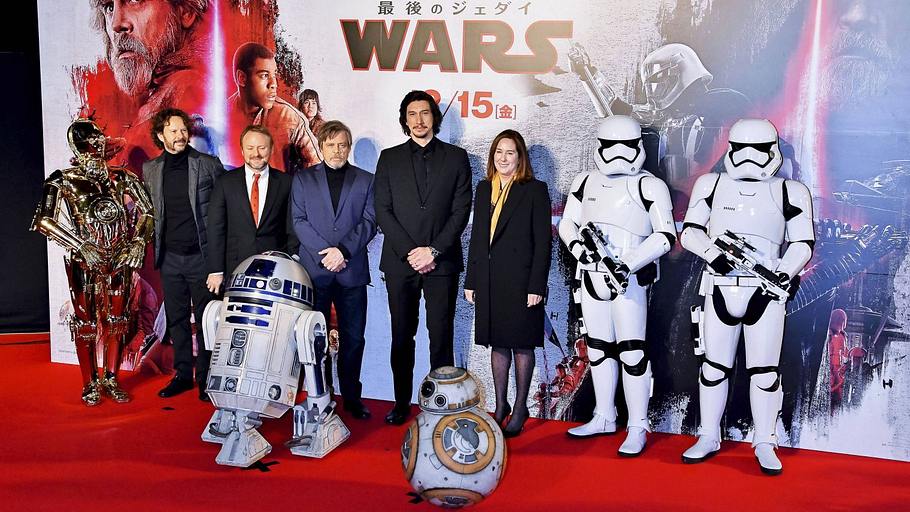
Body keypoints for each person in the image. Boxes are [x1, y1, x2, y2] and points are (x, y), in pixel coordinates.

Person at [679, 119, 814, 475]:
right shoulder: (711, 184)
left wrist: (783, 273)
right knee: (713, 368)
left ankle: (765, 440)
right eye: (743, 149)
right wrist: (713, 254)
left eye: (759, 150)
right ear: (731, 149)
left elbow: (802, 242)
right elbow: (690, 232)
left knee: (765, 372)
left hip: (765, 292)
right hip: (720, 287)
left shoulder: (790, 191)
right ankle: (708, 434)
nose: (750, 158)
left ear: (773, 151)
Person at [558, 115, 676, 456]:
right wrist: (579, 249)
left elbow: (665, 235)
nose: (619, 154)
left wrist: (629, 263)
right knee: (597, 348)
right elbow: (568, 223)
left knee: (632, 351)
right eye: (612, 146)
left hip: (630, 279)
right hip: (591, 274)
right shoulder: (585, 181)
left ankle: (638, 424)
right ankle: (604, 414)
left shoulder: (649, 185)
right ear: (600, 146)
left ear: (638, 146)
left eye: (627, 146)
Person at [31, 119, 155, 406]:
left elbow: (149, 211)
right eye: (92, 138)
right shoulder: (62, 179)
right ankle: (89, 383)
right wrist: (80, 245)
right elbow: (44, 220)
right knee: (86, 325)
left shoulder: (122, 177)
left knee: (118, 321)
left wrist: (138, 242)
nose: (99, 142)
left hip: (120, 256)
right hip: (84, 259)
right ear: (79, 145)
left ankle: (111, 378)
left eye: (100, 137)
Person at [374, 90, 472, 425]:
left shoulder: (457, 158)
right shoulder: (389, 158)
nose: (419, 120)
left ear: (435, 118)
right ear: (405, 120)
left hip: (442, 262)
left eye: (425, 113)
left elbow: (461, 211)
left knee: (441, 336)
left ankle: (439, 404)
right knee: (402, 335)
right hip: (400, 262)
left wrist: (433, 250)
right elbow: (383, 210)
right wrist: (411, 252)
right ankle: (401, 402)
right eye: (412, 114)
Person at [464, 130, 551, 437]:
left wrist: (537, 286)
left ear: (520, 157)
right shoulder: (484, 188)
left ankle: (521, 407)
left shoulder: (534, 190)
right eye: (498, 152)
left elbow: (543, 242)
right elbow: (477, 239)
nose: (503, 158)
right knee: (498, 342)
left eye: (510, 153)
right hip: (490, 280)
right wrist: (471, 280)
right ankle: (500, 405)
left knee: (522, 344)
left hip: (522, 281)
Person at [291, 120, 377, 420]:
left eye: (342, 145)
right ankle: (321, 393)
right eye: (331, 145)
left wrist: (343, 252)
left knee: (354, 339)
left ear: (349, 147)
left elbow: (369, 222)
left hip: (351, 271)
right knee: (315, 339)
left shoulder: (366, 180)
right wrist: (326, 254)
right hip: (315, 273)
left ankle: (352, 397)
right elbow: (299, 220)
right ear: (321, 146)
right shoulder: (303, 179)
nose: (337, 150)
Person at [143, 108, 225, 401]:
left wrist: (218, 263)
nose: (180, 135)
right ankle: (182, 375)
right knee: (176, 320)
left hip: (201, 259)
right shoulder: (150, 170)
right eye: (173, 130)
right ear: (160, 135)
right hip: (170, 259)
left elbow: (222, 212)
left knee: (206, 321)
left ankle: (205, 378)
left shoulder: (207, 165)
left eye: (183, 130)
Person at [205, 125, 298, 294]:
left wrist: (292, 261)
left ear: (271, 149)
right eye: (250, 148)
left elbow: (292, 225)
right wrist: (216, 270)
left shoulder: (286, 183)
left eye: (262, 148)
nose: (256, 153)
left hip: (276, 269)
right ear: (242, 150)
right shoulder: (225, 182)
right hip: (234, 267)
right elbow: (215, 228)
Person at [88, 0, 209, 129]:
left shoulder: (192, 92)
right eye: (109, 7)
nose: (116, 24)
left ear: (185, 11)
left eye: (134, 0)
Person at [228, 42, 321, 173]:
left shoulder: (290, 117)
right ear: (242, 78)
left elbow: (317, 169)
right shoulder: (221, 115)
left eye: (274, 75)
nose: (274, 84)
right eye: (264, 75)